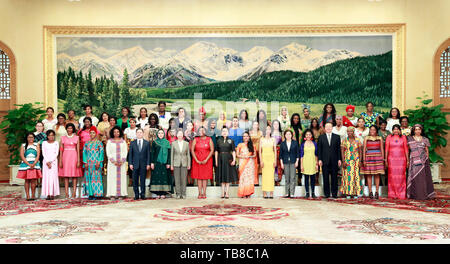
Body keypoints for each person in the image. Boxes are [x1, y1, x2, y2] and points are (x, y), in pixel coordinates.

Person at [407, 124, 435, 200]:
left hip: (423, 161)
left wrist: (427, 160)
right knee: (415, 177)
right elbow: (407, 150)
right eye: (416, 129)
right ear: (413, 130)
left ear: (421, 130)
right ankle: (414, 194)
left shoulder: (425, 139)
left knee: (423, 178)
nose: (417, 131)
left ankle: (424, 194)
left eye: (419, 129)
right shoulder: (410, 139)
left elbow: (426, 150)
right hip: (414, 160)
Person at [318, 122, 342, 198]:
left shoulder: (337, 137)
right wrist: (319, 159)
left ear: (332, 128)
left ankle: (334, 194)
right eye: (327, 127)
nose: (328, 128)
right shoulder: (321, 137)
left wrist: (339, 159)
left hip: (334, 161)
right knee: (325, 178)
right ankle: (327, 194)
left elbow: (339, 149)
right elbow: (319, 150)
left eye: (330, 127)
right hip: (324, 161)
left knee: (334, 178)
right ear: (324, 128)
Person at [385, 124, 409, 199]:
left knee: (401, 177)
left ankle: (401, 194)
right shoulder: (389, 137)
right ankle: (392, 194)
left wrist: (408, 160)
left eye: (397, 129)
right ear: (392, 130)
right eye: (394, 129)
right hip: (391, 160)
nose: (396, 131)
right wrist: (385, 159)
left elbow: (406, 149)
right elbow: (386, 149)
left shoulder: (403, 137)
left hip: (402, 160)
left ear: (400, 130)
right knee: (392, 177)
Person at [59, 123, 82, 199]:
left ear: (73, 129)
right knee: (66, 176)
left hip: (74, 156)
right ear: (66, 129)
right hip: (65, 156)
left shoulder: (77, 137)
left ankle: (74, 193)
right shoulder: (63, 138)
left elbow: (78, 150)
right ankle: (66, 193)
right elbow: (61, 150)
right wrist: (60, 160)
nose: (69, 130)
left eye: (71, 128)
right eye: (68, 128)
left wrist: (78, 160)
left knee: (74, 175)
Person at [361, 125, 385, 199]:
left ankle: (377, 192)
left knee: (377, 175)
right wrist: (364, 159)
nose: (372, 131)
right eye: (371, 130)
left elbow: (382, 149)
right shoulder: (366, 138)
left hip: (378, 157)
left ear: (376, 131)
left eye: (374, 130)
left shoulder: (379, 138)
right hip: (368, 157)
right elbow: (364, 149)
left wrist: (383, 159)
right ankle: (370, 192)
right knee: (369, 174)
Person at [191, 127, 214, 199]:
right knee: (199, 177)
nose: (201, 131)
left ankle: (204, 193)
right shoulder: (195, 139)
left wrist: (206, 159)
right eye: (200, 130)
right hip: (197, 161)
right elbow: (192, 150)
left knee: (205, 177)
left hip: (207, 161)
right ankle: (199, 193)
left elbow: (212, 150)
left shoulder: (209, 139)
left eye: (203, 130)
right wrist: (196, 159)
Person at [17, 133, 42, 201]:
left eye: (32, 137)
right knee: (27, 180)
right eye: (29, 137)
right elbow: (22, 155)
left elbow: (38, 155)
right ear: (27, 138)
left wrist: (34, 164)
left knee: (33, 180)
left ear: (34, 138)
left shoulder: (36, 145)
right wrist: (28, 164)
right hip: (26, 164)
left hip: (34, 164)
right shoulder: (23, 145)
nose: (31, 139)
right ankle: (27, 195)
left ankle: (33, 195)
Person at [106, 126, 128, 199]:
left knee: (122, 178)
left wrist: (122, 160)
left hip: (121, 163)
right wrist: (113, 161)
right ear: (112, 133)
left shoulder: (123, 141)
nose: (116, 133)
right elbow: (108, 152)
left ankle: (121, 194)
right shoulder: (109, 141)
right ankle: (112, 194)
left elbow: (125, 151)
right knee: (112, 177)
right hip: (112, 163)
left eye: (117, 132)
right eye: (114, 132)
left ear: (120, 132)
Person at [215, 127, 238, 198]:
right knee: (222, 176)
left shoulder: (231, 140)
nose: (224, 132)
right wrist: (216, 161)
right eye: (223, 131)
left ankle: (227, 193)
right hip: (220, 158)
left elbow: (233, 151)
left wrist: (234, 160)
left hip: (228, 159)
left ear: (228, 132)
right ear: (221, 132)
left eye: (226, 131)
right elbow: (216, 151)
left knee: (227, 175)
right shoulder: (218, 140)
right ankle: (222, 193)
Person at [339, 127, 362, 198]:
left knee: (356, 177)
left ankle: (355, 193)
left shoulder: (358, 140)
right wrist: (343, 161)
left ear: (353, 132)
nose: (349, 133)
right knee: (347, 177)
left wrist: (360, 161)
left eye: (351, 131)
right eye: (348, 131)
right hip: (347, 161)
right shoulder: (344, 140)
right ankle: (347, 193)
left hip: (356, 161)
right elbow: (342, 151)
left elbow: (360, 151)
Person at [150, 129, 173, 199]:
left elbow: (169, 154)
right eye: (159, 133)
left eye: (162, 133)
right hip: (157, 163)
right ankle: (158, 193)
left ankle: (163, 193)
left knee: (164, 178)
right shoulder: (154, 142)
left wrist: (168, 163)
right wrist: (152, 163)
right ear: (157, 134)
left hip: (165, 163)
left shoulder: (167, 142)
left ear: (164, 134)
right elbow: (152, 153)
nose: (160, 134)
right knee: (157, 178)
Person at [128, 128, 151, 200]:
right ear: (136, 134)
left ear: (143, 133)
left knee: (143, 180)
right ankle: (136, 194)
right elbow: (130, 154)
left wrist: (148, 164)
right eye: (138, 132)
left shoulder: (147, 143)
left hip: (144, 164)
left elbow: (148, 155)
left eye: (140, 132)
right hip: (135, 164)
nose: (139, 134)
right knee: (135, 180)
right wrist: (130, 164)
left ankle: (143, 194)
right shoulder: (132, 143)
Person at [82, 127, 104, 200]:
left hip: (96, 163)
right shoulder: (86, 143)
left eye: (93, 133)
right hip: (88, 163)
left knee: (96, 178)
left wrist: (98, 162)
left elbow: (101, 153)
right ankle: (90, 194)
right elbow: (84, 153)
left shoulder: (99, 143)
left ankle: (97, 194)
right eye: (90, 133)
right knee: (88, 178)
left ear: (96, 134)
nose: (92, 134)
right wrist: (85, 162)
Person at [171, 129, 191, 199]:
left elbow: (188, 154)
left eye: (181, 134)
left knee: (184, 179)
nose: (180, 135)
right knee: (177, 179)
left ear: (183, 135)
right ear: (177, 135)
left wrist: (189, 164)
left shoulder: (186, 143)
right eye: (178, 134)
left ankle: (184, 193)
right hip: (176, 163)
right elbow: (172, 155)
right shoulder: (173, 143)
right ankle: (178, 193)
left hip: (184, 163)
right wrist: (171, 165)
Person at [236, 131, 257, 198]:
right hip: (242, 162)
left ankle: (248, 193)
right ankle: (243, 193)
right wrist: (243, 156)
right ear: (242, 137)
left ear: (249, 137)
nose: (245, 137)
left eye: (247, 136)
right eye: (244, 136)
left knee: (249, 178)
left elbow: (254, 155)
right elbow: (237, 155)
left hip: (250, 163)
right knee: (243, 178)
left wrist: (249, 157)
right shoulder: (240, 145)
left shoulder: (252, 145)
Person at [280, 130, 299, 198]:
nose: (288, 135)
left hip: (293, 162)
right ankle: (286, 193)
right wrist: (281, 163)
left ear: (291, 135)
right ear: (285, 135)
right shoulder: (282, 143)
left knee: (292, 178)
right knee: (287, 178)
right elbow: (281, 155)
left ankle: (292, 193)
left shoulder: (295, 143)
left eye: (289, 134)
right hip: (285, 162)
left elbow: (297, 153)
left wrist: (297, 161)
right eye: (287, 134)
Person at [41, 130, 59, 200]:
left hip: (54, 162)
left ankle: (52, 194)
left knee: (53, 177)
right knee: (46, 177)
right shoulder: (44, 143)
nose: (51, 137)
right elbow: (44, 153)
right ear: (47, 136)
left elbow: (56, 153)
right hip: (46, 162)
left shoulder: (56, 143)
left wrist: (51, 161)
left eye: (52, 135)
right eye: (49, 135)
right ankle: (47, 194)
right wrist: (47, 161)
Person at [300, 129, 318, 198]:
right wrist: (301, 165)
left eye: (309, 134)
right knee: (306, 178)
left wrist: (316, 164)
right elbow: (301, 155)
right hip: (305, 162)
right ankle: (307, 193)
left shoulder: (314, 143)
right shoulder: (303, 144)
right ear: (305, 135)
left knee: (313, 178)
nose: (308, 136)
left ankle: (313, 193)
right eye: (307, 135)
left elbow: (316, 154)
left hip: (313, 162)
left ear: (311, 135)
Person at [260, 125, 277, 199]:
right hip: (264, 158)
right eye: (266, 129)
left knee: (271, 176)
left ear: (271, 131)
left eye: (269, 129)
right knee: (264, 176)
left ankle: (271, 192)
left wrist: (275, 160)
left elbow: (275, 151)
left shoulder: (273, 139)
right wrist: (261, 160)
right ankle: (264, 193)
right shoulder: (261, 139)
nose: (268, 131)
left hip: (271, 158)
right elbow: (260, 152)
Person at [250, 121, 263, 185]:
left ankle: (256, 181)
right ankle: (251, 181)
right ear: (252, 126)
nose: (255, 126)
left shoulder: (260, 132)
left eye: (257, 125)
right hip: (252, 150)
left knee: (257, 166)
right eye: (254, 125)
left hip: (258, 150)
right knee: (251, 166)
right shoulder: (250, 132)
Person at [271, 119, 283, 185]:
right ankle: (273, 179)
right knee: (273, 164)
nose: (276, 125)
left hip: (279, 150)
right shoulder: (270, 133)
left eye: (277, 124)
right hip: (271, 150)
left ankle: (278, 180)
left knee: (279, 165)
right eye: (274, 124)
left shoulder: (281, 133)